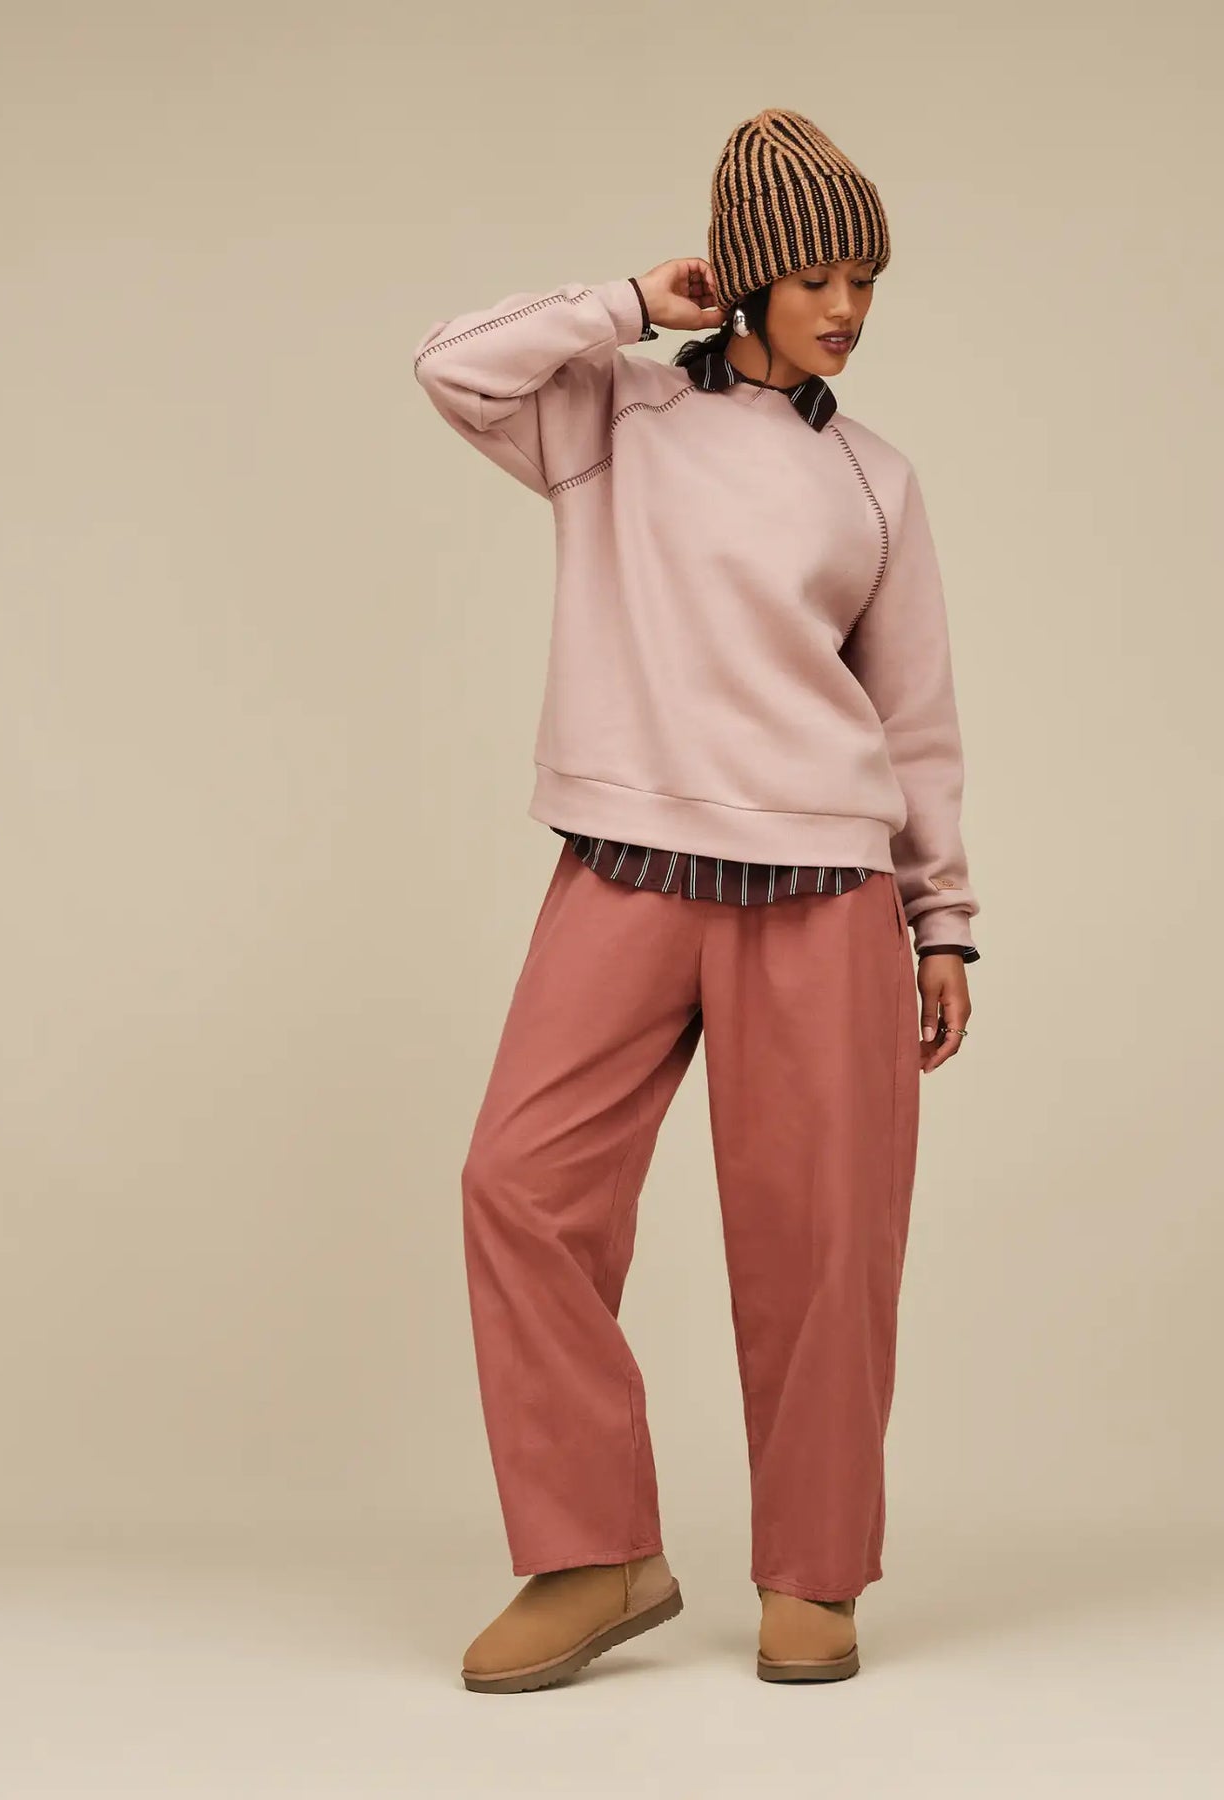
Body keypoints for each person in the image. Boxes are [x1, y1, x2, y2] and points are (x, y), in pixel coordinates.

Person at [412, 108, 978, 1691]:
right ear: (744, 275)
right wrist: (623, 303)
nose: (847, 308)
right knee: (519, 1184)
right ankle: (595, 1552)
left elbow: (914, 713)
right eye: (815, 276)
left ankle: (816, 1571)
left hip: (827, 883)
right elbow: (452, 367)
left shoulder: (874, 478)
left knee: (823, 1238)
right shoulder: (614, 415)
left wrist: (940, 918)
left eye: (865, 279)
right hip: (629, 858)